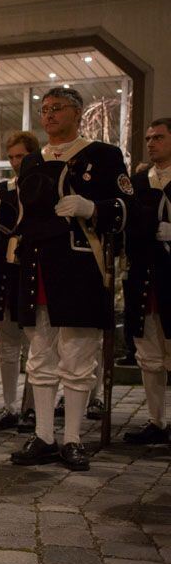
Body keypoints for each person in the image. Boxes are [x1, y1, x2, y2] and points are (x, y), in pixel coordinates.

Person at [0, 87, 134, 471]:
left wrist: (93, 208)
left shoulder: (103, 155)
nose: (49, 115)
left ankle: (71, 438)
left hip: (79, 263)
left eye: (57, 109)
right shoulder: (33, 160)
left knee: (78, 356)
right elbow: (23, 215)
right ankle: (45, 435)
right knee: (39, 356)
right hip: (36, 264)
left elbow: (127, 207)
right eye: (45, 109)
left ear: (77, 112)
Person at [122, 118, 171, 444]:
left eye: (159, 137)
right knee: (149, 357)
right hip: (143, 279)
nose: (151, 142)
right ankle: (157, 421)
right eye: (149, 137)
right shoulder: (137, 182)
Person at [0, 131, 37, 430]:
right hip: (5, 271)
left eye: (22, 156)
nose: (16, 162)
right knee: (6, 344)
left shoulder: (41, 185)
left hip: (29, 267)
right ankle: (9, 405)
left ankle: (31, 408)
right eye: (13, 156)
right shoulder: (2, 190)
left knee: (34, 345)